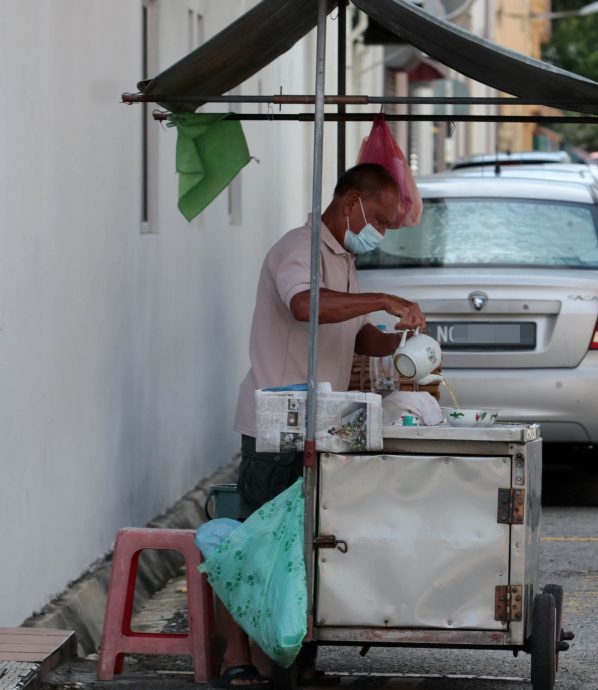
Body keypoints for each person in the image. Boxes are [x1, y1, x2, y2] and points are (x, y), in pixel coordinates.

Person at [222, 163, 426, 688]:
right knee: (262, 542)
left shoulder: (346, 261)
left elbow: (358, 336)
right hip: (276, 419)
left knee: (309, 542)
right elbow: (303, 304)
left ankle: (296, 657)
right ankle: (238, 658)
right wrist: (382, 299)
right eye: (377, 219)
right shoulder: (300, 248)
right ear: (350, 201)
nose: (378, 232)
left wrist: (403, 340)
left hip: (322, 420)